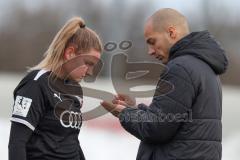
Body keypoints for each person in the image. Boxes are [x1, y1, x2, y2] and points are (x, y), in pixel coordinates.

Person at [101, 8, 228, 160]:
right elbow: (174, 120)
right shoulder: (206, 67)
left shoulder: (180, 68)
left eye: (152, 42)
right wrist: (134, 109)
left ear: (171, 33)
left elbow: (156, 129)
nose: (150, 51)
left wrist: (123, 113)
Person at [8, 17, 103, 160]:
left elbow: (71, 141)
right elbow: (17, 143)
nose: (90, 72)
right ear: (70, 53)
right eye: (88, 63)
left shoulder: (75, 90)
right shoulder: (35, 84)